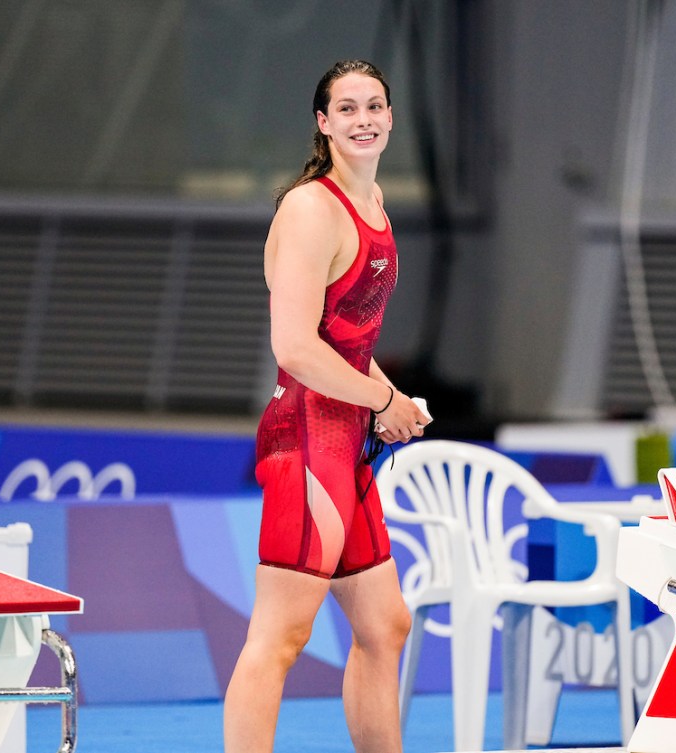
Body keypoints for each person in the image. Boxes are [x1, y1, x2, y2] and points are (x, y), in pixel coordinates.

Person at [223, 59, 432, 753]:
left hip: (348, 444)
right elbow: (294, 346)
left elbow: (342, 339)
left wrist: (391, 400)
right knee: (280, 636)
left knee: (385, 625)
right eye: (347, 108)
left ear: (391, 117)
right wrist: (381, 399)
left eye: (375, 105)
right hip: (308, 438)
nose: (364, 118)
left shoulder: (373, 207)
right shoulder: (313, 208)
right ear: (323, 122)